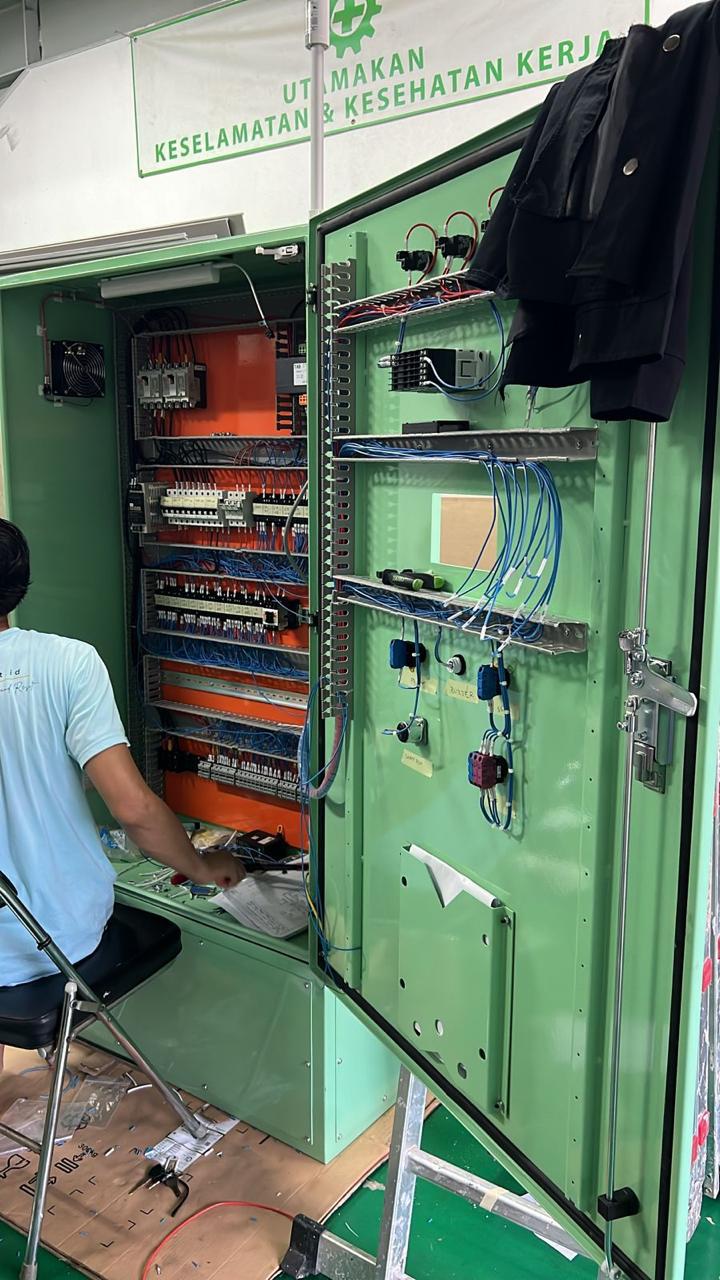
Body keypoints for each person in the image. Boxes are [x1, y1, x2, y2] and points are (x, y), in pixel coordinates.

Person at [0, 518, 243, 1063]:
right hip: (60, 942)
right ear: (21, 583)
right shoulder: (67, 663)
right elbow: (133, 809)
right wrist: (202, 866)